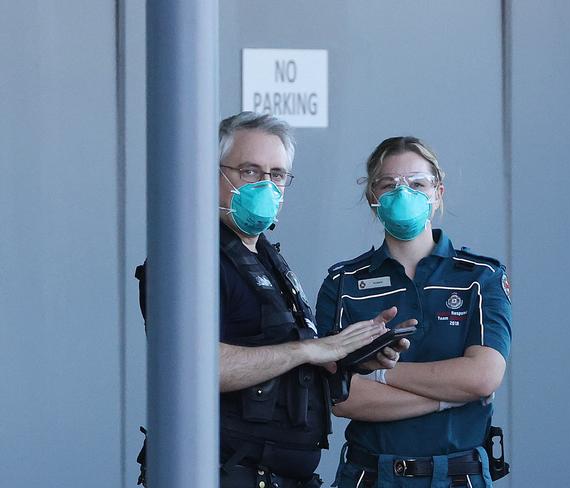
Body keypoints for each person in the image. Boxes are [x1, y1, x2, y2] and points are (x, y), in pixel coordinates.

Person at [135, 112, 412, 488]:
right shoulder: (188, 255)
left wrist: (347, 360)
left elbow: (277, 363)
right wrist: (307, 351)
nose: (266, 186)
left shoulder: (265, 257)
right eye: (250, 171)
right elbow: (192, 367)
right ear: (210, 173)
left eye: (277, 175)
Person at [315, 136, 512, 488]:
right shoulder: (343, 283)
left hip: (457, 475)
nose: (403, 194)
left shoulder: (480, 277)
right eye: (389, 185)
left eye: (417, 184)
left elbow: (482, 377)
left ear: (438, 193)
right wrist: (449, 399)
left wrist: (379, 376)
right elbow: (340, 398)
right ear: (373, 198)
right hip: (370, 474)